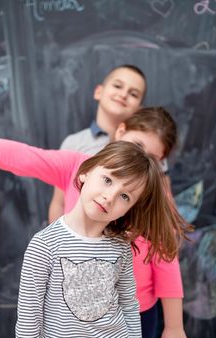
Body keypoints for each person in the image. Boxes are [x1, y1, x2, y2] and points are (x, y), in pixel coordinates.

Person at [0, 107, 190, 338]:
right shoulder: (78, 165)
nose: (140, 159)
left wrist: (174, 326)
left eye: (153, 159)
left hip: (137, 310)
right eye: (137, 145)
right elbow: (27, 156)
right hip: (67, 321)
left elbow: (166, 257)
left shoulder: (147, 195)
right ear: (121, 130)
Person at [48, 64, 147, 223]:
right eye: (117, 86)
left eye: (133, 94)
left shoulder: (141, 150)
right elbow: (59, 202)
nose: (123, 94)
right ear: (99, 92)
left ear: (139, 109)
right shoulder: (74, 143)